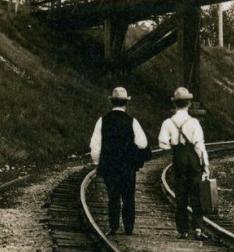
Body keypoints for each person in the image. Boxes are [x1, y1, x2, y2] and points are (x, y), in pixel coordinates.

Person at [89, 86, 149, 235]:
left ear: (112, 103)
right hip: (127, 166)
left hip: (109, 165)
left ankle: (114, 226)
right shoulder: (132, 121)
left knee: (113, 196)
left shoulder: (102, 121)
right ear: (126, 103)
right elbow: (143, 143)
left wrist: (97, 163)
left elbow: (95, 145)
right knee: (129, 197)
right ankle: (128, 228)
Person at [158, 87, 210, 239]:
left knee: (180, 194)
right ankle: (199, 228)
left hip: (179, 158)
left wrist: (173, 147)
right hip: (193, 158)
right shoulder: (193, 122)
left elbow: (162, 143)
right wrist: (205, 164)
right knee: (196, 193)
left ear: (175, 104)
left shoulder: (168, 122)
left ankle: (183, 230)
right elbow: (199, 145)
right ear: (188, 104)